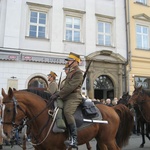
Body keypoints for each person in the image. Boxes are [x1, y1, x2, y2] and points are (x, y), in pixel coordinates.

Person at [50, 52, 83, 148]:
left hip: (74, 96)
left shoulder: (78, 72)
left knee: (67, 112)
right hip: (66, 96)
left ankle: (74, 138)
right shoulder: (71, 72)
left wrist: (58, 94)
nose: (68, 62)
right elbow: (66, 87)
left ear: (75, 61)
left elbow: (70, 87)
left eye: (69, 60)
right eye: (68, 60)